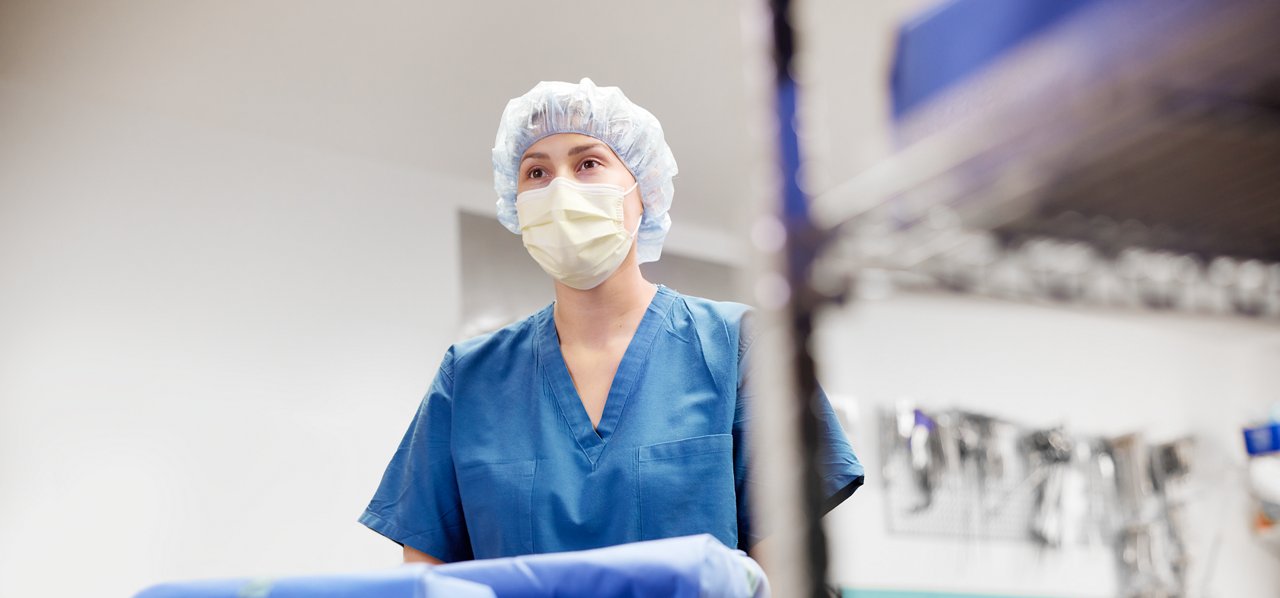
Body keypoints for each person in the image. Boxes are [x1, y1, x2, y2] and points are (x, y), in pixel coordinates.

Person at [358, 78, 863, 565]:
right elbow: (427, 575)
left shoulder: (739, 348)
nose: (560, 190)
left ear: (644, 191)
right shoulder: (469, 379)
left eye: (588, 163)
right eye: (536, 173)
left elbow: (785, 571)